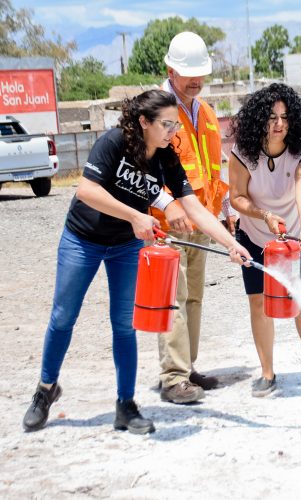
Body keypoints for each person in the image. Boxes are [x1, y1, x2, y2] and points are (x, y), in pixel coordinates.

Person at [22, 90, 252, 434]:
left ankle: (126, 405)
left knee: (124, 325)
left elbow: (193, 207)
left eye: (176, 125)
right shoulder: (113, 142)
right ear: (144, 122)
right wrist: (135, 216)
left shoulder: (166, 157)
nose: (173, 132)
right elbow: (86, 191)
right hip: (82, 239)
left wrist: (231, 243)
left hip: (125, 247)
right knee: (63, 315)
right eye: (166, 124)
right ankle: (45, 390)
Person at [150, 32, 237, 404]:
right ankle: (172, 377)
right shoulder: (156, 111)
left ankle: (188, 368)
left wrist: (228, 211)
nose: (196, 81)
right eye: (189, 74)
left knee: (195, 298)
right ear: (171, 69)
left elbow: (214, 169)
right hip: (169, 224)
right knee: (172, 297)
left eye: (201, 73)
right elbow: (146, 170)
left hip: (204, 219)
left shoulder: (206, 112)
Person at [228, 83, 301, 397]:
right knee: (259, 303)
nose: (279, 124)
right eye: (272, 117)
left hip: (293, 238)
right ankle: (267, 373)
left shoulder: (300, 150)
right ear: (259, 119)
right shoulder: (242, 152)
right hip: (255, 236)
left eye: (285, 117)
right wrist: (264, 215)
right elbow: (237, 198)